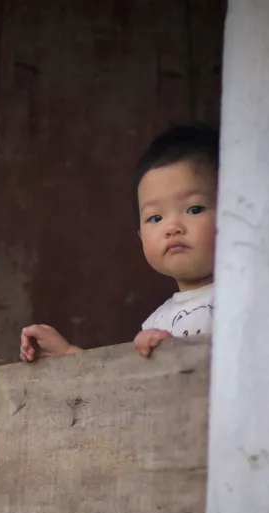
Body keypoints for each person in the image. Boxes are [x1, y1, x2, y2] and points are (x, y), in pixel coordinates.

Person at [19, 124, 218, 361]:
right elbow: (125, 387)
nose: (172, 227)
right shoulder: (156, 323)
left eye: (194, 209)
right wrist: (66, 354)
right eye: (155, 217)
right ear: (140, 236)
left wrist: (177, 354)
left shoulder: (245, 298)